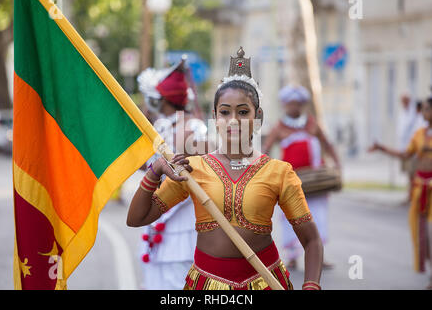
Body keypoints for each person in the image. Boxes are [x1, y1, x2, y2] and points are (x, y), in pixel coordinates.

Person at [127, 48, 323, 290]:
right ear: (214, 116)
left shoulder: (279, 172)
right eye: (225, 112)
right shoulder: (193, 169)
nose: (233, 120)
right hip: (207, 286)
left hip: (265, 282)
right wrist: (155, 171)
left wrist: (311, 285)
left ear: (257, 116)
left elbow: (311, 239)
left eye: (243, 112)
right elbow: (136, 218)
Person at [133, 59, 208, 290]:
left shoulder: (193, 128)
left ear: (157, 100)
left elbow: (203, 170)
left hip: (183, 219)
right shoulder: (159, 128)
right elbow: (146, 169)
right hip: (158, 218)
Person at [262, 85, 341, 270]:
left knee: (318, 217)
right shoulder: (279, 127)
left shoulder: (312, 124)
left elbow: (328, 144)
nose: (293, 108)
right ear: (284, 105)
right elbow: (266, 149)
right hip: (291, 182)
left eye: (297, 104)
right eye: (290, 104)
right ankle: (292, 257)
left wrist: (337, 163)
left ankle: (319, 256)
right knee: (291, 218)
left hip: (316, 180)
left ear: (302, 105)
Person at [369, 97, 432, 290]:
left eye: (427, 109)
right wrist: (382, 148)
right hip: (419, 187)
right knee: (421, 233)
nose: (423, 112)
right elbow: (406, 155)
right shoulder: (420, 134)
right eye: (423, 109)